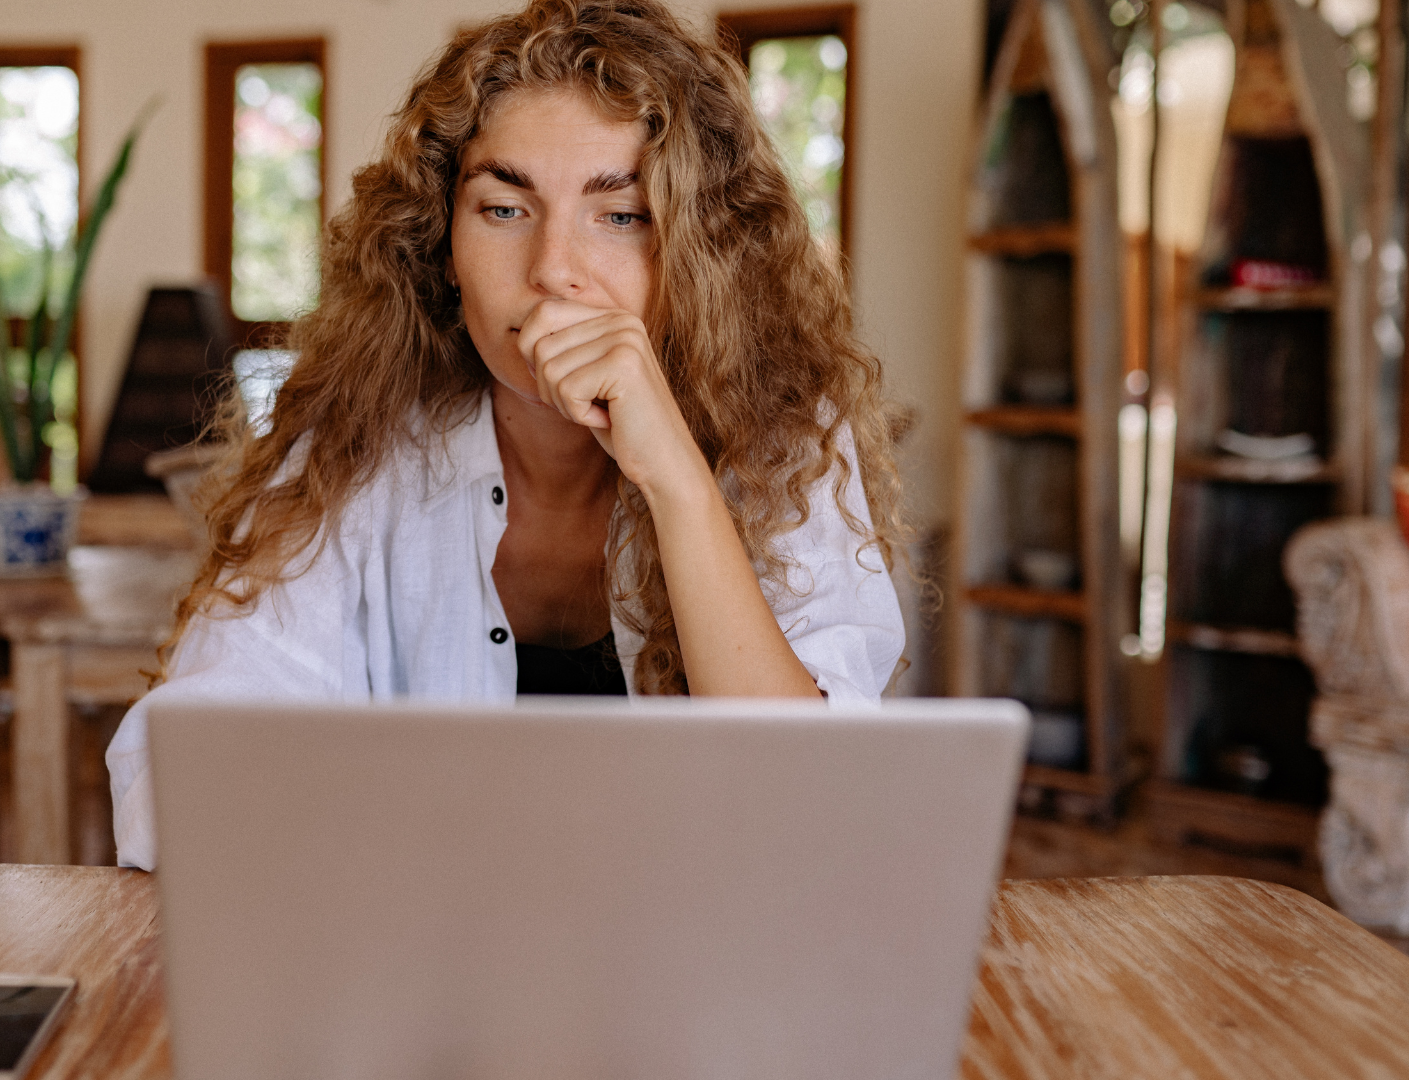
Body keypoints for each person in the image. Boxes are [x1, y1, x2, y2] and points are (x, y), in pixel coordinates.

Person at [108, 0, 906, 870]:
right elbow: (170, 777)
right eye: (503, 208)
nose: (553, 270)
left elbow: (819, 814)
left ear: (698, 250)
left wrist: (677, 480)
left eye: (622, 214)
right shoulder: (359, 439)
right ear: (443, 242)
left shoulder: (786, 436)